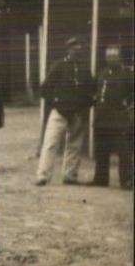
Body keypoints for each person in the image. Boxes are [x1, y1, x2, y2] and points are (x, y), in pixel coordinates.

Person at [35, 37, 95, 186]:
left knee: (74, 145)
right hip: (59, 112)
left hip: (77, 114)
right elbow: (44, 88)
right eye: (73, 48)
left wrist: (84, 107)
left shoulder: (85, 69)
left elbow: (91, 90)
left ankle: (70, 175)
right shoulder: (59, 66)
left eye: (79, 48)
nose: (76, 50)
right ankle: (43, 175)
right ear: (68, 49)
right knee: (50, 143)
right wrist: (55, 101)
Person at [88, 44, 133, 190]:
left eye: (114, 56)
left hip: (119, 119)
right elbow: (94, 91)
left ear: (119, 57)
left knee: (124, 152)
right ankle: (101, 179)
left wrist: (129, 105)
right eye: (108, 56)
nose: (111, 59)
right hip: (102, 119)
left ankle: (127, 181)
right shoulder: (102, 73)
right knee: (101, 151)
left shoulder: (127, 74)